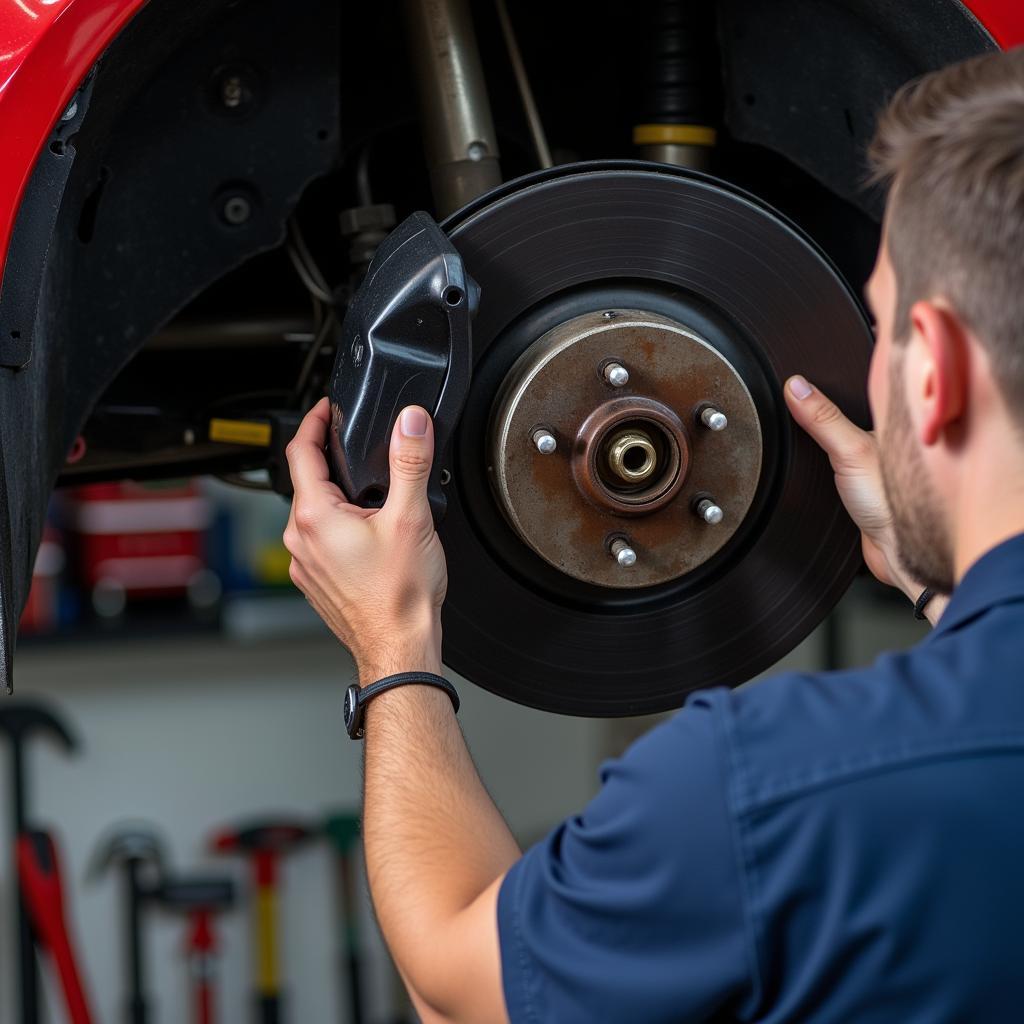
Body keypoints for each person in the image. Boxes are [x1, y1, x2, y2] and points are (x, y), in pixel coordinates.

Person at [283, 48, 1024, 1024]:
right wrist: (944, 587)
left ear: (930, 370)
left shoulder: (762, 795)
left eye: (879, 324)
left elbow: (458, 993)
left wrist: (393, 644)